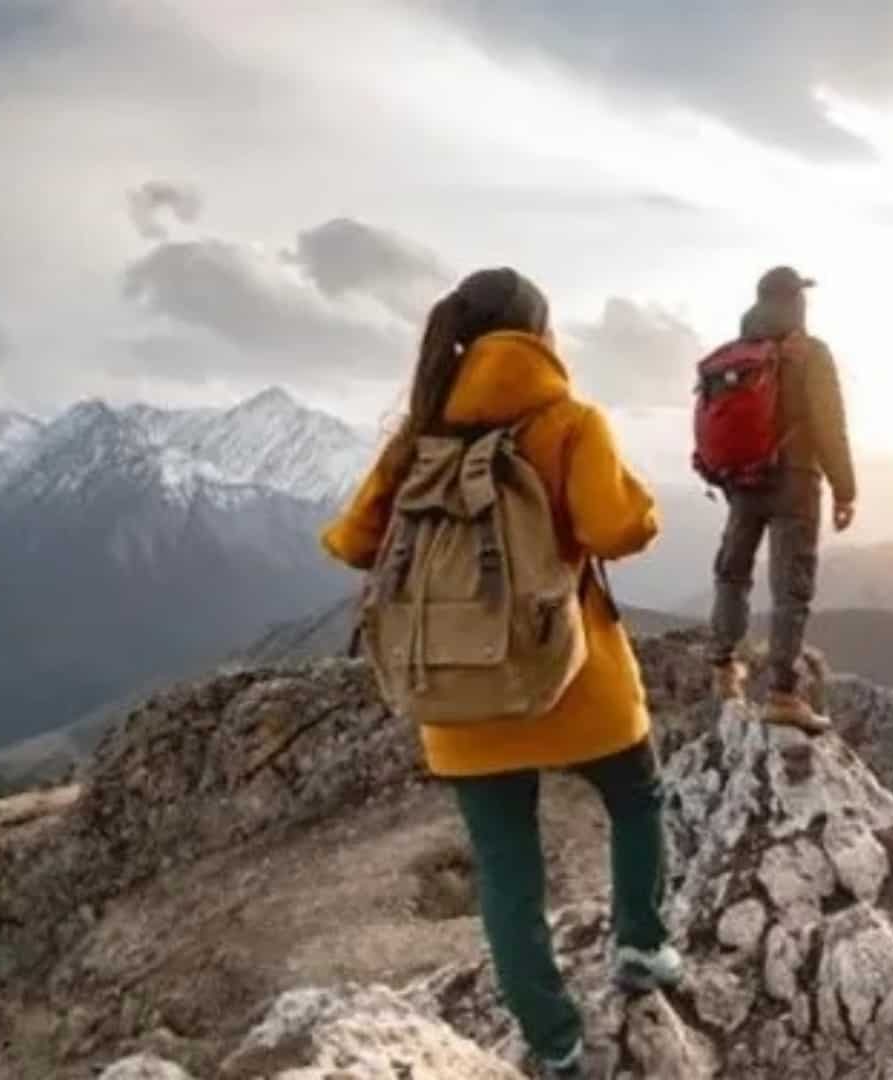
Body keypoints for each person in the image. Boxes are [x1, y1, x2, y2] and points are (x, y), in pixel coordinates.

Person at [321, 268, 679, 1080]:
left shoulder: (418, 435)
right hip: (570, 678)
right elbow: (618, 527)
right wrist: (640, 501)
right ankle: (643, 949)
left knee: (508, 868)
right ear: (540, 339)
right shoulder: (569, 421)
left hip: (458, 691)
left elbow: (349, 542)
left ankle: (555, 1043)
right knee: (636, 796)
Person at [707, 265, 857, 732]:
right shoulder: (809, 353)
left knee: (733, 571)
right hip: (794, 480)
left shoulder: (734, 356)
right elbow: (829, 424)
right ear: (795, 302)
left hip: (742, 480)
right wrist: (845, 488)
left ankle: (723, 667)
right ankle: (782, 693)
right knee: (791, 585)